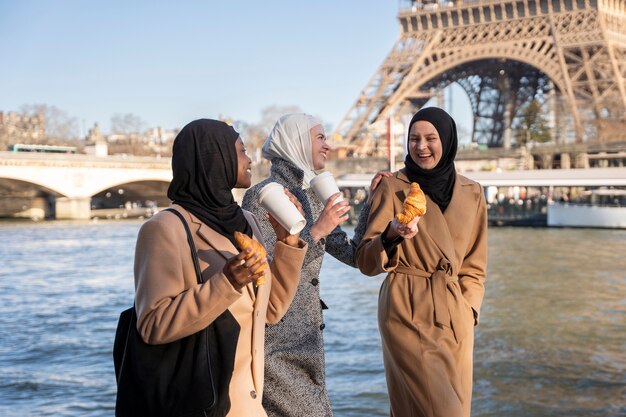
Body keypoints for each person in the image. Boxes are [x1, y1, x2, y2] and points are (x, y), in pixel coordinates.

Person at [133, 119, 308, 417]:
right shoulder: (165, 228)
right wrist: (227, 282)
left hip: (249, 401)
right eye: (241, 150)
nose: (250, 158)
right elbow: (153, 325)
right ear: (215, 157)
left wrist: (288, 243)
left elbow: (270, 310)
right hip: (202, 401)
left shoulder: (246, 222)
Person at [242, 113, 389, 417]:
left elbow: (351, 254)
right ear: (297, 141)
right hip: (275, 341)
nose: (329, 146)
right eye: (320, 137)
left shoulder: (314, 196)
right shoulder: (261, 196)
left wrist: (371, 203)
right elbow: (265, 273)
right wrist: (318, 229)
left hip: (308, 340)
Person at [356, 107, 487, 417]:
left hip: (456, 313)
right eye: (414, 139)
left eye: (430, 138)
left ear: (448, 140)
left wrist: (469, 311)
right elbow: (364, 260)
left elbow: (475, 264)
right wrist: (391, 234)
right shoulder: (392, 188)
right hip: (406, 306)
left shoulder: (472, 192)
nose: (421, 146)